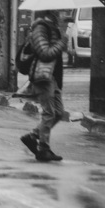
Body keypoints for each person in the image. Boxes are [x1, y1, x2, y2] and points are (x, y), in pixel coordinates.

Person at [20, 9, 67, 162]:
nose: (64, 15)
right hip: (42, 77)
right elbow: (45, 53)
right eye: (62, 13)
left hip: (51, 77)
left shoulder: (53, 28)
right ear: (53, 13)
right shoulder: (41, 28)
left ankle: (33, 136)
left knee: (59, 113)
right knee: (49, 113)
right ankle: (44, 149)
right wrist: (62, 42)